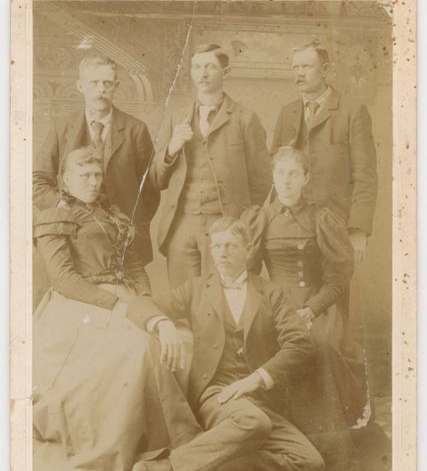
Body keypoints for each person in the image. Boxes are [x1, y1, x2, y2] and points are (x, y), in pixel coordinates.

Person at [33, 147, 202, 471]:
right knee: (138, 347)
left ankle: (168, 441)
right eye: (84, 176)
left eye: (97, 175)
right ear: (66, 179)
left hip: (125, 297)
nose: (93, 182)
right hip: (80, 305)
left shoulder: (111, 214)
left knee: (181, 337)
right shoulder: (54, 217)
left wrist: (143, 300)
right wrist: (116, 304)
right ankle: (156, 444)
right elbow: (64, 280)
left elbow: (135, 265)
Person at [128, 217, 325, 471]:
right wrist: (163, 324)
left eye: (231, 245)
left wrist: (255, 379)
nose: (222, 253)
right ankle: (168, 468)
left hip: (258, 398)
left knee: (310, 465)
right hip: (216, 393)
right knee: (253, 421)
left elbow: (301, 343)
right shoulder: (196, 289)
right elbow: (138, 305)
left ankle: (214, 462)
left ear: (249, 250)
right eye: (217, 246)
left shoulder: (271, 293)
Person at [242, 146, 391, 471]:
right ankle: (275, 447)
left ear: (306, 179)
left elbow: (337, 279)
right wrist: (270, 308)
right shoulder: (261, 218)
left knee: (321, 346)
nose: (286, 181)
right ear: (273, 177)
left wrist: (311, 309)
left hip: (317, 305)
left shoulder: (321, 218)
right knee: (262, 345)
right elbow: (250, 275)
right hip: (276, 306)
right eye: (281, 173)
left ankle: (335, 455)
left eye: (293, 174)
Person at [150, 43, 272, 288]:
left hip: (226, 224)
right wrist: (172, 148)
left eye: (210, 67)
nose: (202, 74)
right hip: (182, 224)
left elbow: (262, 179)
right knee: (183, 297)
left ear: (225, 72)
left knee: (222, 297)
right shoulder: (176, 118)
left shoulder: (245, 118)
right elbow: (155, 179)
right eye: (196, 67)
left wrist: (241, 220)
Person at [33, 55, 159, 266]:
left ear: (116, 86)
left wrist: (135, 222)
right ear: (80, 86)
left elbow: (150, 188)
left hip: (124, 239)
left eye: (107, 83)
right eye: (94, 83)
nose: (101, 89)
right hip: (72, 236)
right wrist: (62, 205)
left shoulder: (135, 129)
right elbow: (37, 180)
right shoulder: (61, 127)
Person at [270, 41, 378, 263]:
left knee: (334, 283)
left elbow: (365, 175)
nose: (299, 73)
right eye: (295, 67)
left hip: (336, 223)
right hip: (293, 223)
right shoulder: (287, 113)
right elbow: (273, 166)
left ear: (325, 69)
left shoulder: (352, 112)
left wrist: (358, 228)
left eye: (306, 66)